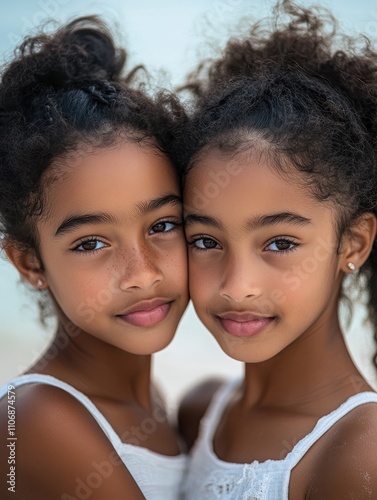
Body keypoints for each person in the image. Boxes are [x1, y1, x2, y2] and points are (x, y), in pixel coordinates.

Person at [178, 1, 377, 498]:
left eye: (281, 243)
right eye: (206, 241)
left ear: (353, 242)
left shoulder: (358, 453)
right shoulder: (200, 410)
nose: (237, 285)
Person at [0, 16, 188, 499]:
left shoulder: (156, 406)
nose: (142, 273)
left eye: (163, 226)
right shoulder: (37, 419)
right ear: (29, 262)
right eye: (90, 243)